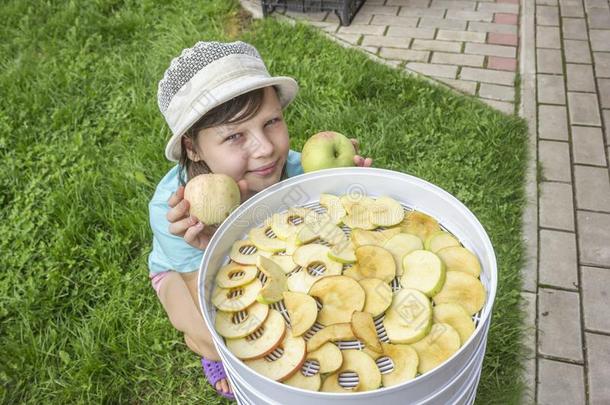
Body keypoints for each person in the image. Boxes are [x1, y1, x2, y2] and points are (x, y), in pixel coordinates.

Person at [148, 40, 373, 400]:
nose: (266, 148)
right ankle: (209, 354)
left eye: (271, 122)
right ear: (193, 148)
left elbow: (336, 233)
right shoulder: (178, 211)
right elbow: (205, 298)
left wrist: (346, 189)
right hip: (186, 272)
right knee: (210, 334)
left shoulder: (299, 171)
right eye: (235, 135)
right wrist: (212, 245)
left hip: (274, 252)